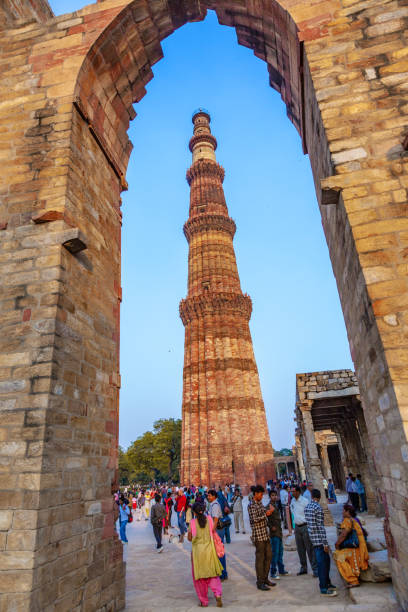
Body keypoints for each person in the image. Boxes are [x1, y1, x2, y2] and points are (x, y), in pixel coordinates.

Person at [188, 502, 223, 608]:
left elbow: (190, 538)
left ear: (194, 512)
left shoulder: (192, 523)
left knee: (200, 578)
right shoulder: (209, 519)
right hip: (209, 551)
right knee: (212, 575)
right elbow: (213, 531)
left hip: (198, 553)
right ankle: (217, 595)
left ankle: (204, 601)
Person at [304, 489, 338, 597]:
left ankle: (327, 583)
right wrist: (325, 543)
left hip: (313, 539)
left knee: (326, 562)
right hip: (320, 541)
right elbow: (320, 526)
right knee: (323, 565)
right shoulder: (318, 508)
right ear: (319, 497)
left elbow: (310, 524)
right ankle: (323, 587)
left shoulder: (307, 507)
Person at [247, 484, 276, 591]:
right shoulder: (251, 505)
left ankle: (265, 578)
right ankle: (260, 582)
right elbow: (254, 519)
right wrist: (267, 514)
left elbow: (265, 513)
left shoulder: (260, 504)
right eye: (261, 494)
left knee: (269, 556)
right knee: (260, 558)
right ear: (256, 494)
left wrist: (269, 511)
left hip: (265, 533)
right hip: (258, 536)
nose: (262, 496)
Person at [334, 503, 369, 588]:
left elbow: (343, 535)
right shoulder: (355, 519)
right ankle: (353, 577)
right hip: (360, 546)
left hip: (355, 547)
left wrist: (337, 544)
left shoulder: (347, 520)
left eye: (343, 510)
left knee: (338, 557)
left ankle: (353, 580)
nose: (342, 512)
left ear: (347, 512)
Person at [290, 486, 317, 576]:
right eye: (291, 491)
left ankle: (315, 569)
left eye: (293, 491)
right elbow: (293, 513)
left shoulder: (305, 501)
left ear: (298, 492)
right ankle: (303, 568)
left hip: (305, 526)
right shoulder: (292, 501)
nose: (292, 493)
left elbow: (310, 514)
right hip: (297, 527)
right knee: (300, 549)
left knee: (309, 549)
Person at [267, 490, 288, 580]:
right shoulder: (269, 506)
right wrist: (271, 527)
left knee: (280, 552)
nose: (274, 497)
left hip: (279, 532)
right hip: (274, 533)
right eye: (272, 495)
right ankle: (273, 572)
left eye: (275, 495)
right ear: (270, 496)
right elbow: (265, 518)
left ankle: (281, 570)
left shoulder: (276, 505)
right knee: (275, 553)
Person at [207, 489, 228, 580]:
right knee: (219, 551)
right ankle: (222, 573)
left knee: (219, 552)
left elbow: (215, 520)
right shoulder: (213, 504)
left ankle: (222, 574)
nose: (208, 497)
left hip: (217, 530)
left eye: (210, 496)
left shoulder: (215, 505)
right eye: (208, 496)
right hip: (218, 530)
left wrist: (212, 531)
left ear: (214, 496)